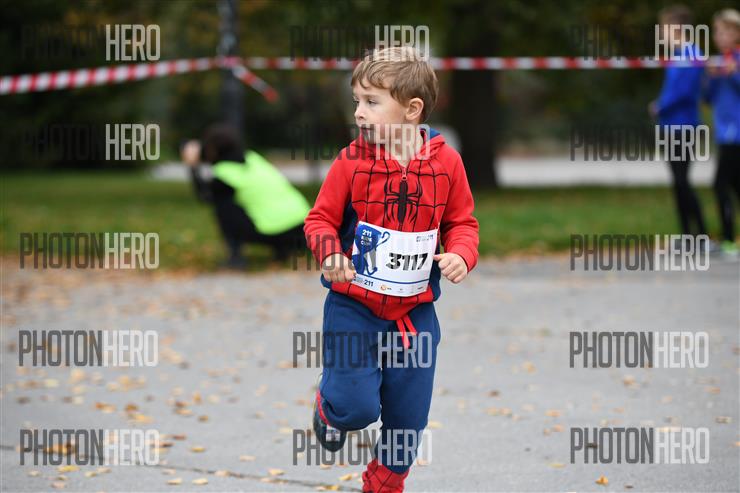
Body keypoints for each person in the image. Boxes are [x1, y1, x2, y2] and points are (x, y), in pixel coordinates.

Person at [304, 47, 479, 492]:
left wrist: (462, 253)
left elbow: (462, 222)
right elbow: (319, 219)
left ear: (411, 109)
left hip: (414, 313)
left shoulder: (447, 163)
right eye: (357, 101)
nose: (359, 113)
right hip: (354, 307)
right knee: (356, 408)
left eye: (372, 102)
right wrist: (330, 254)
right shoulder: (351, 161)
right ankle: (329, 408)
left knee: (408, 415)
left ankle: (384, 483)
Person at [182, 124, 310, 268]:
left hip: (275, 232)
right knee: (260, 204)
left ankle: (236, 258)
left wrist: (193, 167)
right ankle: (282, 250)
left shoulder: (224, 173)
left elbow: (205, 197)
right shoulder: (253, 158)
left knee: (223, 206)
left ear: (213, 149)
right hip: (303, 228)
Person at [649, 5, 708, 241]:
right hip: (670, 125)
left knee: (683, 181)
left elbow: (683, 92)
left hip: (684, 126)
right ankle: (687, 236)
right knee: (678, 183)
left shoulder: (691, 54)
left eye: (664, 28)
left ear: (676, 27)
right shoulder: (676, 56)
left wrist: (660, 106)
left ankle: (701, 235)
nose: (661, 33)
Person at [705, 9, 740, 257]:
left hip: (736, 133)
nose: (719, 36)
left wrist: (734, 73)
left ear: (736, 33)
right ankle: (728, 239)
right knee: (735, 185)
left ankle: (728, 239)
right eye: (716, 31)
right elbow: (708, 98)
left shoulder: (736, 59)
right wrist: (711, 77)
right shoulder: (720, 60)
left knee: (720, 185)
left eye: (724, 31)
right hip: (724, 131)